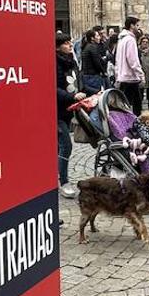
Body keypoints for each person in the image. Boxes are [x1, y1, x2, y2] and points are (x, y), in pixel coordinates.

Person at [57, 35, 86, 198]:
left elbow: (78, 82)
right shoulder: (54, 62)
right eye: (66, 43)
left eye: (69, 43)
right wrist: (72, 97)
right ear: (57, 47)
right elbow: (53, 87)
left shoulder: (71, 61)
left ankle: (55, 176)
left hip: (69, 110)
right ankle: (64, 181)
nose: (70, 45)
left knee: (57, 146)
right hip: (56, 112)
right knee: (66, 146)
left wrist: (91, 92)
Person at [115, 16, 145, 115]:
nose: (138, 27)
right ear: (132, 26)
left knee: (127, 104)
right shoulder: (130, 39)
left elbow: (118, 59)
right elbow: (133, 59)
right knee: (135, 105)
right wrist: (140, 74)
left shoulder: (122, 39)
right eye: (137, 25)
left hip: (124, 77)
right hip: (130, 77)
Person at [79, 26, 108, 92]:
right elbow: (97, 62)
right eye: (97, 36)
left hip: (88, 75)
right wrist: (103, 72)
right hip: (92, 76)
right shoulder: (92, 47)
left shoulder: (87, 46)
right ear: (92, 38)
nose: (99, 38)